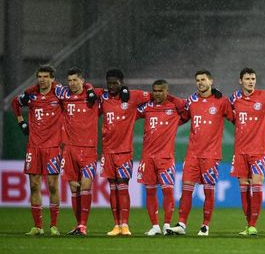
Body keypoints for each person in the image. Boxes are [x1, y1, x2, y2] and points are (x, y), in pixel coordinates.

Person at [168, 70, 233, 236]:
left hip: (211, 155)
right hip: (192, 154)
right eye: (197, 80)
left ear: (211, 81)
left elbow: (236, 118)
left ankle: (205, 225)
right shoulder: (191, 101)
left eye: (203, 79)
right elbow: (181, 118)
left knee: (208, 191)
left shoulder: (221, 101)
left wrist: (262, 123)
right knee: (187, 189)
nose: (200, 82)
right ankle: (182, 224)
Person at [94, 69, 150, 236]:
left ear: (122, 83)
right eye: (109, 83)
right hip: (107, 151)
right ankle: (116, 225)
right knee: (113, 188)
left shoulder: (132, 96)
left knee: (123, 187)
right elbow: (88, 88)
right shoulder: (103, 97)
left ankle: (125, 225)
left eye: (115, 83)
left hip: (124, 151)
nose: (111, 86)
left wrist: (129, 94)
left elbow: (155, 94)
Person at [11, 65, 63, 236]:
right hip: (34, 146)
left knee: (52, 186)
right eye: (39, 76)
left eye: (45, 76)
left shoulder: (60, 92)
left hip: (53, 146)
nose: (42, 79)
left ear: (52, 78)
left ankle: (54, 225)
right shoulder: (31, 93)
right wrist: (21, 122)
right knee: (34, 185)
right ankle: (38, 226)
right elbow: (15, 103)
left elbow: (79, 91)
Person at [229, 67, 265, 236]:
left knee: (256, 185)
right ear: (240, 81)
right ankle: (247, 224)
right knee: (244, 188)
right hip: (240, 151)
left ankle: (253, 225)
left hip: (258, 151)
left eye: (253, 78)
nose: (251, 81)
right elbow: (225, 110)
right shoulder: (234, 98)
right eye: (247, 79)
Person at [136, 79, 186, 236]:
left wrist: (172, 99)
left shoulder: (175, 107)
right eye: (155, 90)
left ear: (166, 91)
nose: (157, 93)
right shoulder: (147, 107)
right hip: (148, 158)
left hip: (165, 158)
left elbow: (189, 108)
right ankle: (155, 225)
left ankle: (166, 224)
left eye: (160, 91)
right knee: (150, 192)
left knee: (168, 192)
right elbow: (130, 111)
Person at [56, 67, 100, 235]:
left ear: (82, 80)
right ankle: (78, 224)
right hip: (69, 149)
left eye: (75, 80)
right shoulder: (64, 95)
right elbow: (47, 83)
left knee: (85, 186)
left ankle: (83, 225)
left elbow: (112, 90)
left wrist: (89, 88)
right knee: (74, 188)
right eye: (70, 80)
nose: (72, 83)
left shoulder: (93, 96)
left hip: (88, 149)